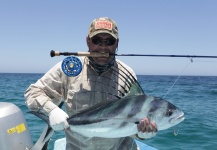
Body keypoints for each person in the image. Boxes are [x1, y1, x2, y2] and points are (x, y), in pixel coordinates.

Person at [24, 17, 158, 150]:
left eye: (109, 41)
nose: (103, 47)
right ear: (88, 41)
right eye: (97, 40)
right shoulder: (69, 68)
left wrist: (142, 134)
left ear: (117, 43)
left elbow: (129, 123)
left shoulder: (127, 74)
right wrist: (52, 111)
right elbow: (33, 92)